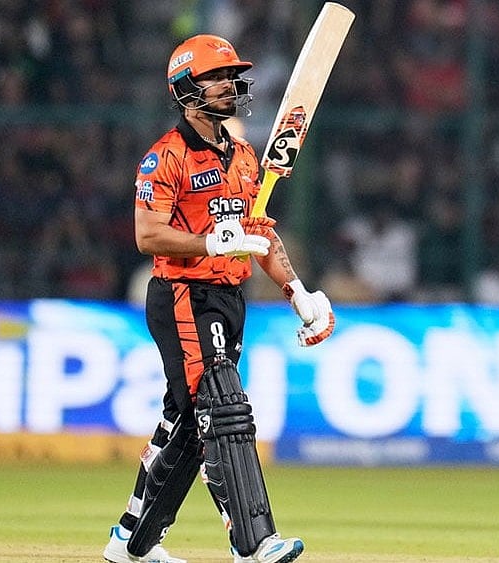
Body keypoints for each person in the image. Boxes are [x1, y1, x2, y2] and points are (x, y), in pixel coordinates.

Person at [102, 34, 335, 563]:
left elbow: (261, 234)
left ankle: (132, 545)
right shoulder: (166, 157)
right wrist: (213, 239)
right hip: (183, 295)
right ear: (187, 89)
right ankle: (253, 543)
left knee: (188, 421)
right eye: (216, 76)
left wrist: (298, 292)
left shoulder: (247, 157)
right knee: (224, 405)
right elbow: (147, 234)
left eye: (232, 76)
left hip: (230, 298)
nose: (229, 84)